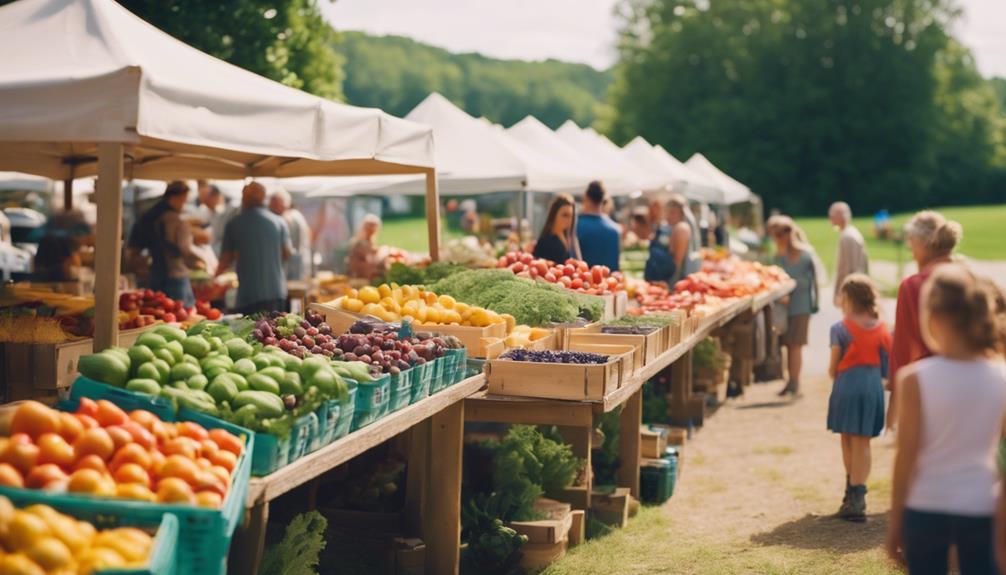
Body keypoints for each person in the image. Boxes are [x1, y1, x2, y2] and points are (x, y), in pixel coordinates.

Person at [886, 265, 1006, 574]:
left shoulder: (913, 379)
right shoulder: (1001, 377)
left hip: (926, 504)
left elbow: (906, 455)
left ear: (934, 318)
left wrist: (895, 520)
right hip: (981, 503)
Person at [888, 211, 963, 431]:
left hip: (931, 386)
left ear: (923, 243)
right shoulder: (973, 278)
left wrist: (896, 397)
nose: (910, 250)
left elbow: (904, 349)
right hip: (977, 382)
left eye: (910, 242)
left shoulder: (913, 285)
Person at [827, 274, 891, 522]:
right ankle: (858, 494)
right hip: (872, 386)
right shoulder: (883, 328)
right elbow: (887, 366)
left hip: (847, 384)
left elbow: (833, 367)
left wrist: (835, 373)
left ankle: (851, 493)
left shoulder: (840, 329)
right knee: (863, 441)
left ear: (848, 298)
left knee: (847, 438)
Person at [216, 182, 291, 315]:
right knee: (275, 333)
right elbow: (287, 254)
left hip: (249, 296)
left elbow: (225, 260)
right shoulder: (279, 222)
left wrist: (213, 279)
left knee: (251, 334)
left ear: (244, 198)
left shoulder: (234, 224)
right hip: (276, 292)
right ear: (263, 199)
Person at [126, 180, 201, 307]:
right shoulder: (174, 219)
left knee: (159, 313)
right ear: (176, 197)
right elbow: (185, 249)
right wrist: (201, 260)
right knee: (182, 313)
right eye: (183, 200)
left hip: (155, 273)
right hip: (173, 274)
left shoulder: (149, 215)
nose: (183, 205)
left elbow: (134, 247)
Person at [770, 215, 819, 397]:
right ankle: (789, 380)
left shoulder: (805, 256)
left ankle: (795, 382)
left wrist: (789, 286)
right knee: (787, 344)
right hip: (784, 308)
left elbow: (810, 282)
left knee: (795, 345)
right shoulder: (778, 257)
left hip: (800, 306)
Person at [644, 195, 700, 284]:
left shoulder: (681, 229)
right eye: (667, 211)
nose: (668, 215)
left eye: (673, 212)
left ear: (682, 213)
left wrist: (670, 286)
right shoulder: (669, 228)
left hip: (671, 282)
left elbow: (677, 265)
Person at [829, 202, 869, 307]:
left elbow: (847, 268)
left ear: (841, 216)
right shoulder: (849, 233)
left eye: (832, 215)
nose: (830, 218)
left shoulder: (848, 237)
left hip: (852, 290)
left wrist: (839, 291)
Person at [576, 181, 621, 271]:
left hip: (583, 283)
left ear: (586, 198)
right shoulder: (615, 229)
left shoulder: (576, 226)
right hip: (611, 283)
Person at [269, 188, 311, 282]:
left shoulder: (287, 219)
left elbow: (287, 251)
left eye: (273, 204)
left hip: (292, 269)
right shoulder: (296, 215)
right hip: (299, 265)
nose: (270, 208)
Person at [533, 194, 580, 263]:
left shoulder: (572, 240)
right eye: (565, 215)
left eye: (571, 216)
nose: (569, 220)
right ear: (554, 215)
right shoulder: (545, 242)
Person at [346, 214, 382, 280]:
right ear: (365, 227)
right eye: (370, 226)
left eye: (375, 226)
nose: (373, 229)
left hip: (365, 274)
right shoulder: (360, 242)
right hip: (359, 274)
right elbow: (358, 261)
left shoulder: (370, 240)